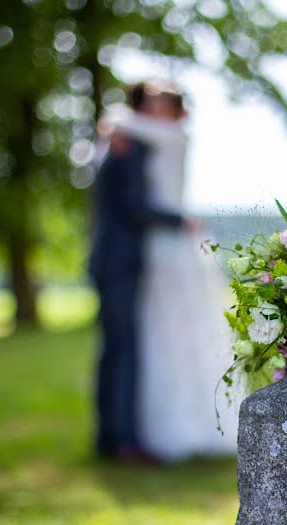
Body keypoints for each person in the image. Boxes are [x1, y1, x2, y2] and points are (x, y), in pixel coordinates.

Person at [100, 81, 238, 462]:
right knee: (143, 339)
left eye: (161, 104)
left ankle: (128, 435)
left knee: (159, 336)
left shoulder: (163, 136)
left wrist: (112, 123)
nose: (154, 111)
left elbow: (117, 119)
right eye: (151, 103)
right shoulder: (138, 141)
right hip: (153, 244)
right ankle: (123, 435)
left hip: (164, 241)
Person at [88, 85, 188, 462]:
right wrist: (179, 220)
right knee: (122, 351)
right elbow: (134, 208)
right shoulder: (126, 147)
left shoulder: (120, 141)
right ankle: (122, 441)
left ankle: (111, 438)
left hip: (113, 260)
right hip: (120, 261)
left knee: (115, 350)